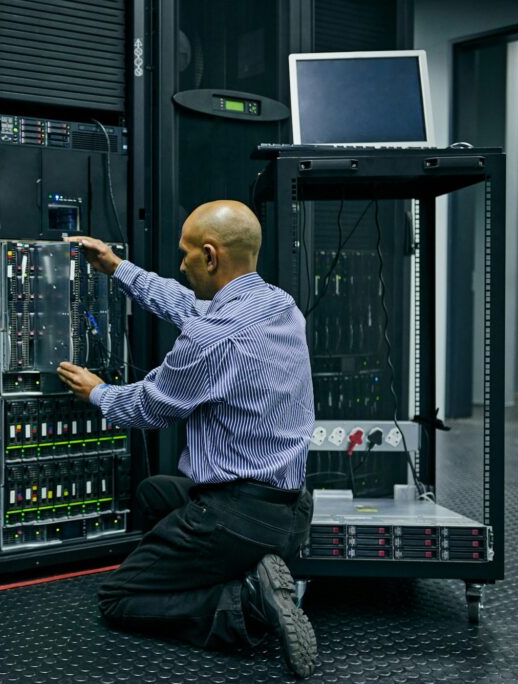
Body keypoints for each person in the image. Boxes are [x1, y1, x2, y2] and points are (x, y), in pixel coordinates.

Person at [56, 200, 318, 678]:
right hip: (293, 510)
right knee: (155, 491)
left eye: (186, 254)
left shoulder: (211, 340)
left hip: (239, 517)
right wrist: (118, 268)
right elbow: (189, 307)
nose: (180, 264)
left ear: (211, 256)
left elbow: (148, 407)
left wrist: (98, 392)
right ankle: (252, 569)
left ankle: (247, 605)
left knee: (119, 599)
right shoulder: (279, 305)